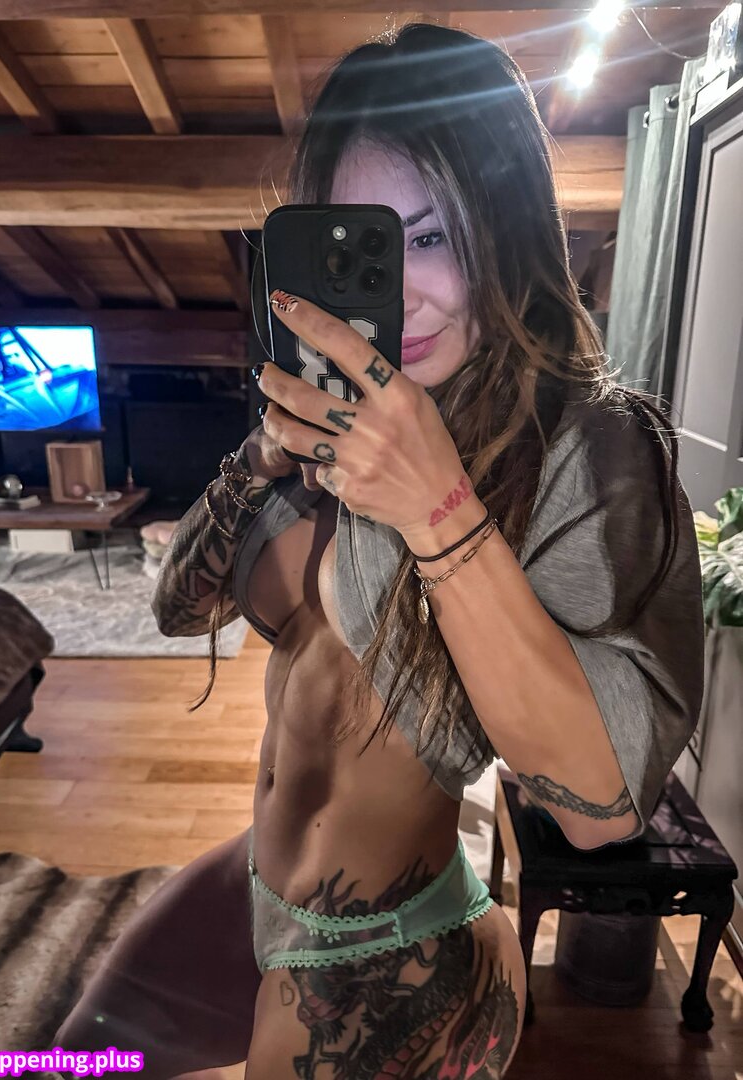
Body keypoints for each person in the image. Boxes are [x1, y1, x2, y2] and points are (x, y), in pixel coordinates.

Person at [51, 23, 704, 1079]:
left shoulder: (582, 446)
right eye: (366, 248)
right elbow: (179, 608)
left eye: (433, 237)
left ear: (506, 229)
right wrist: (260, 456)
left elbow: (604, 808)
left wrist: (437, 509)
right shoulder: (321, 427)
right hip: (259, 883)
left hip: (387, 947)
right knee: (75, 1062)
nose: (397, 300)